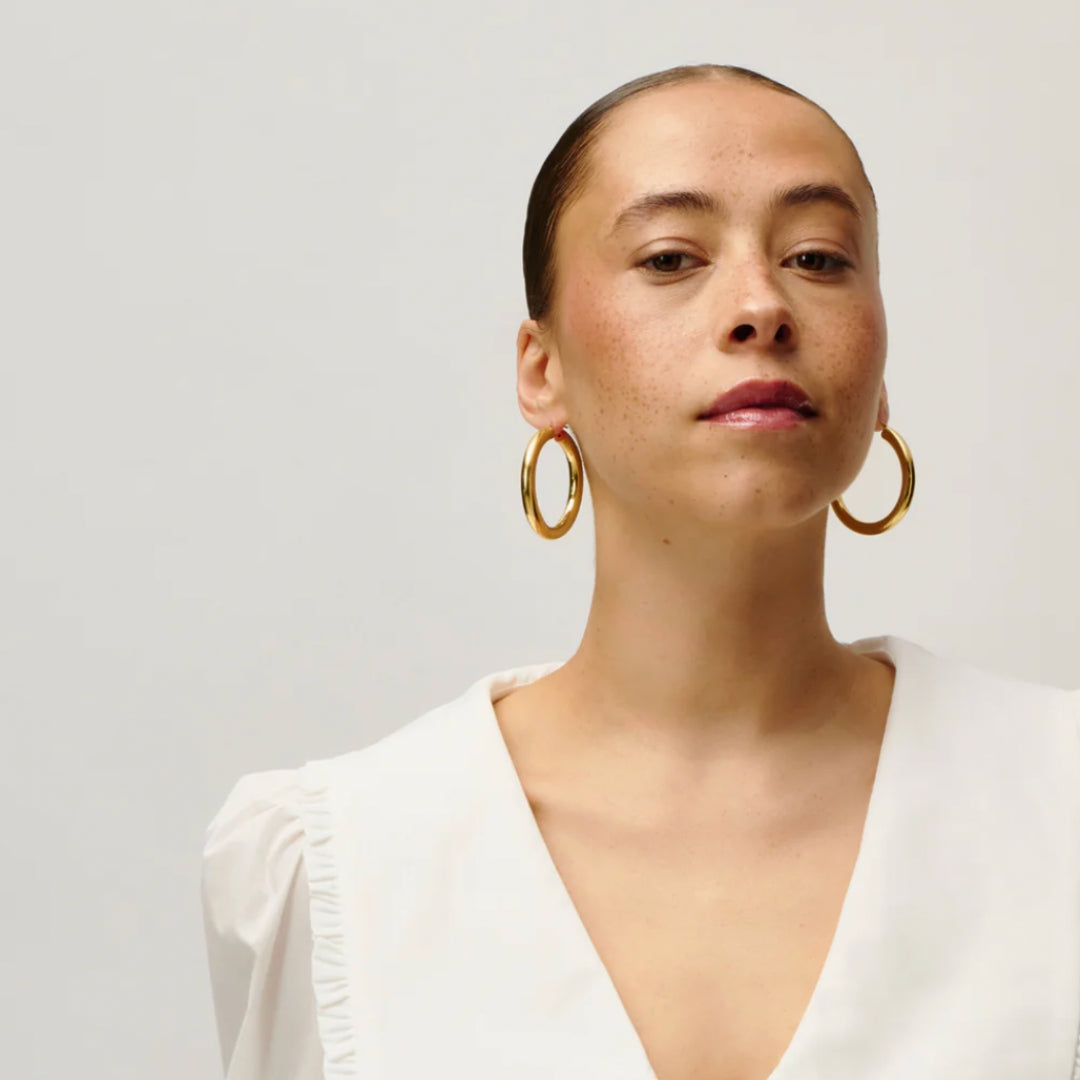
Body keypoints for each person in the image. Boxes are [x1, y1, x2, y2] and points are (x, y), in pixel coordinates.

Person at [200, 64, 1080, 1079]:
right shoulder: (337, 862)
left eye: (817, 257)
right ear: (542, 370)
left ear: (881, 372)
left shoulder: (1055, 799)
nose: (762, 306)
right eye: (670, 257)